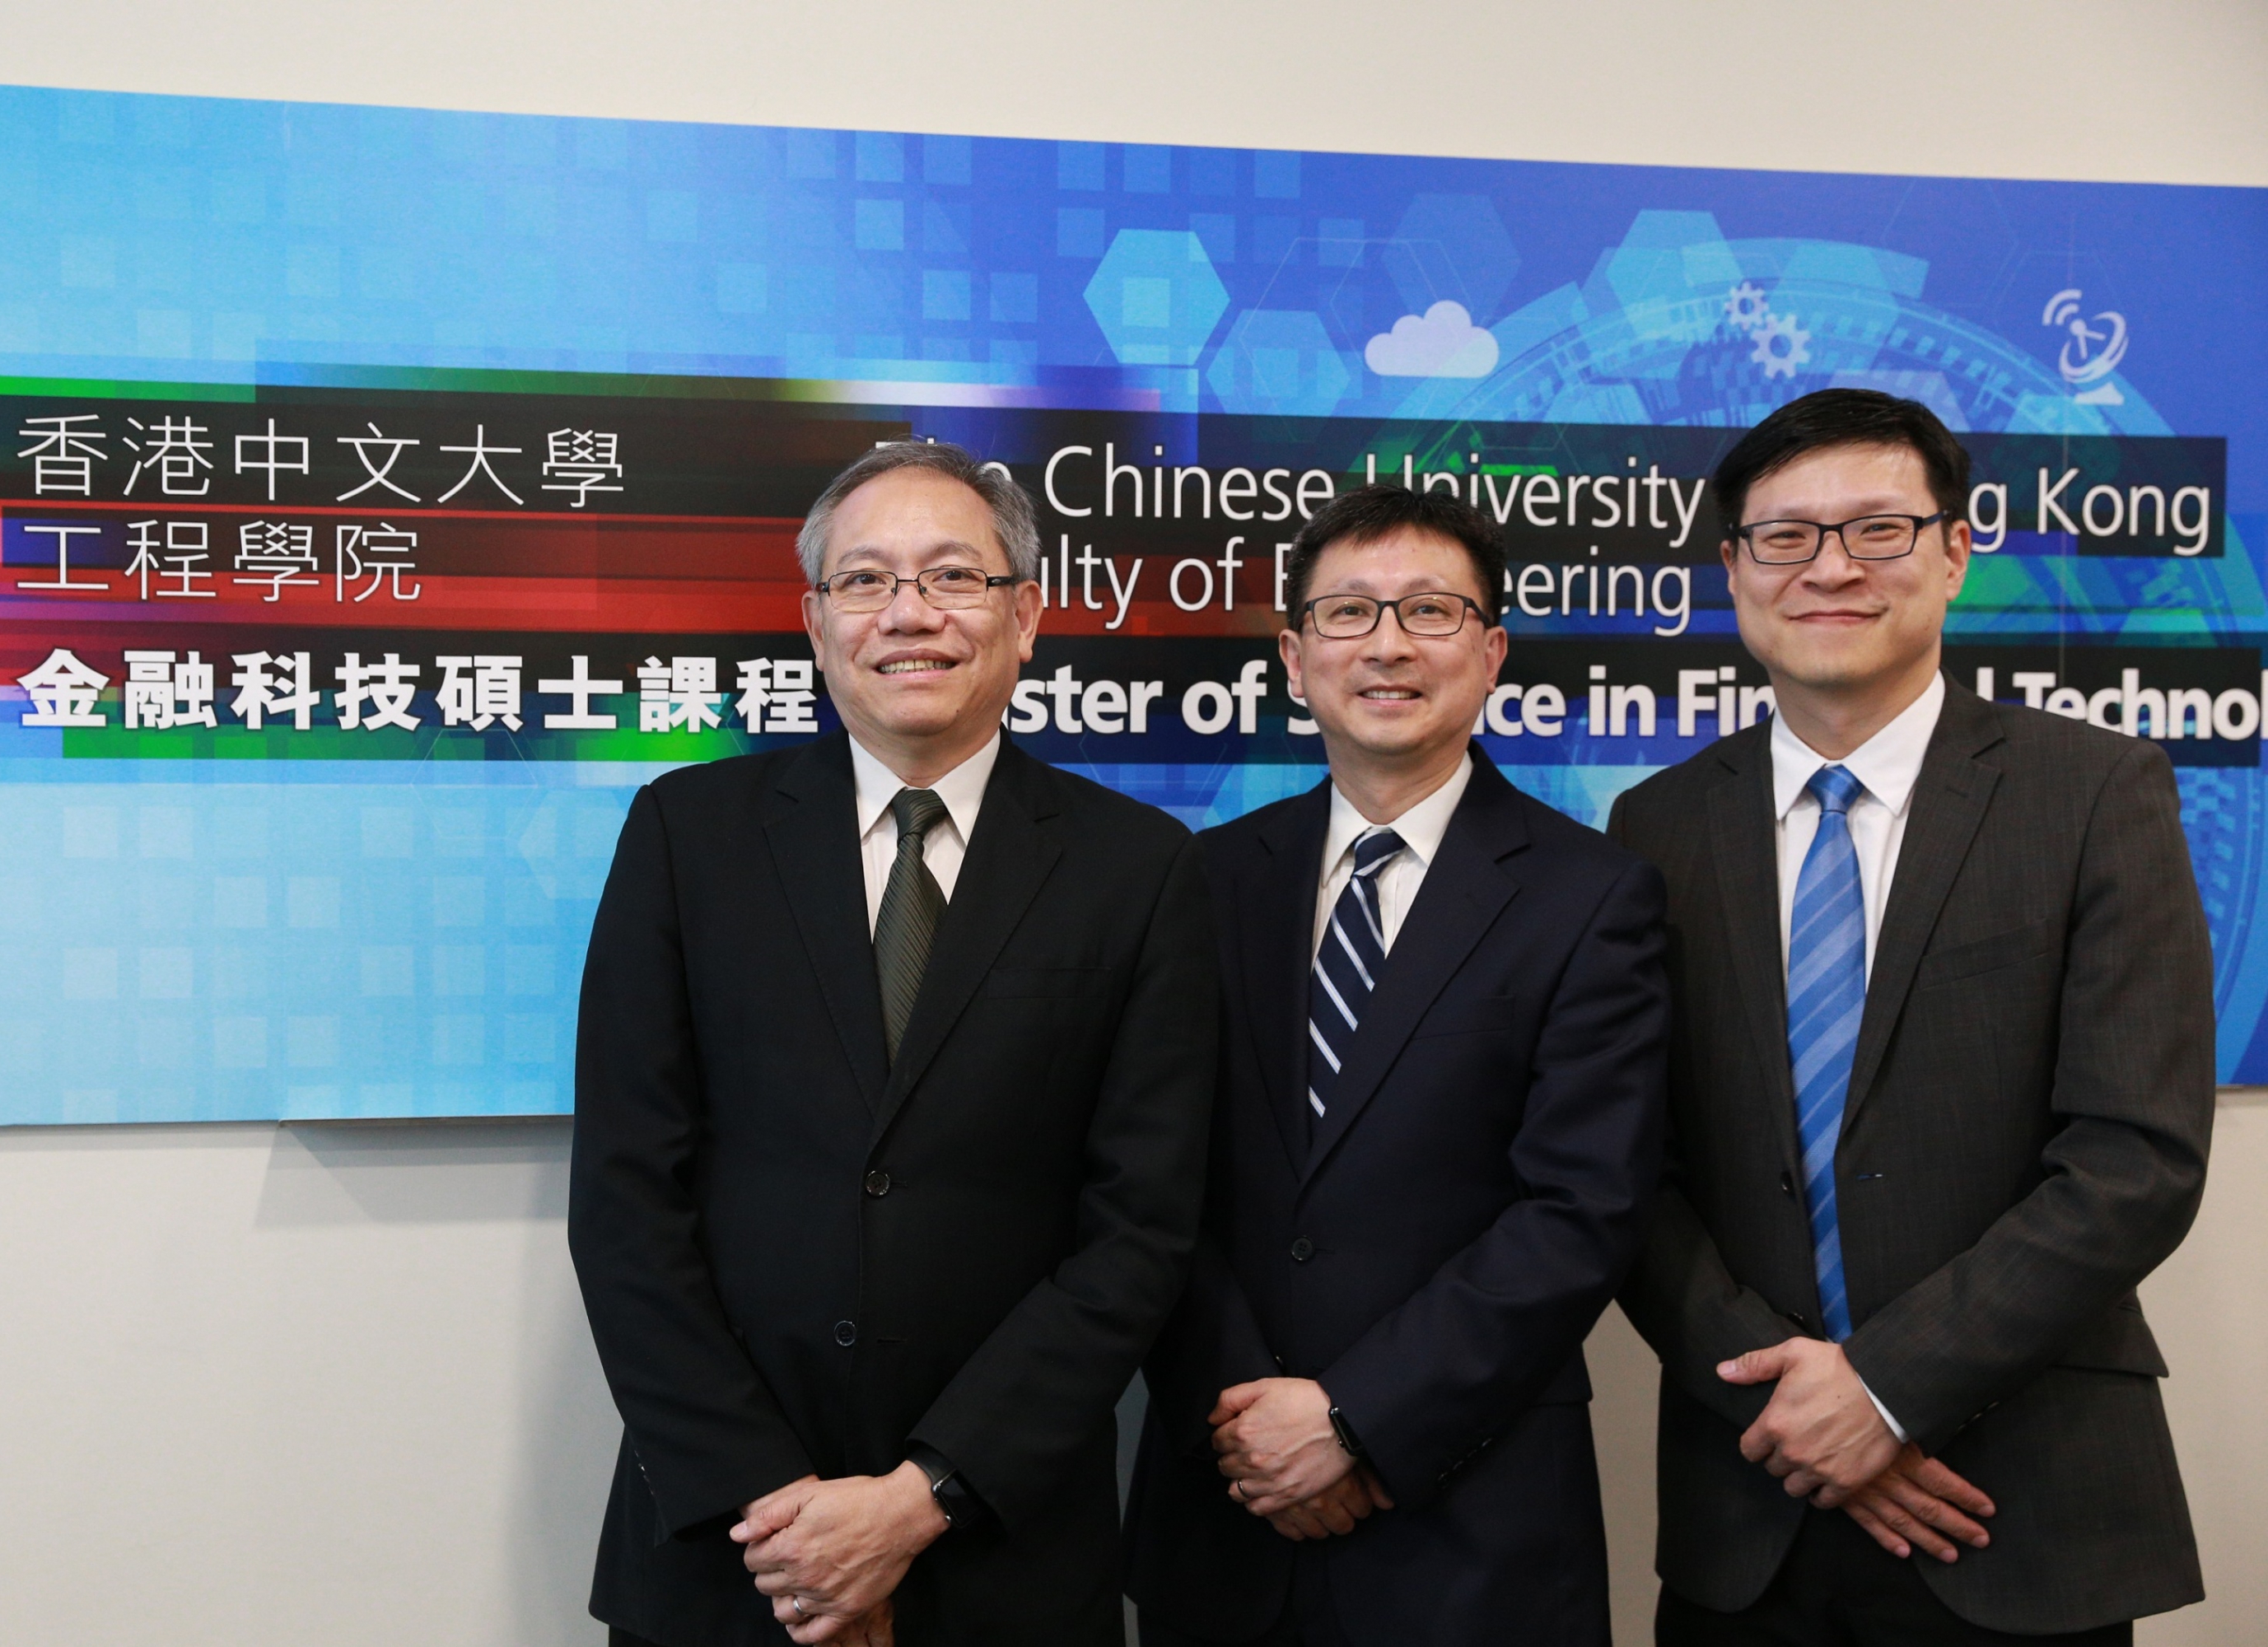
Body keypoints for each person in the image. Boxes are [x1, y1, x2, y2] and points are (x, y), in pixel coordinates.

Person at [568, 440, 1219, 1647]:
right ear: (817, 626)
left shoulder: (1140, 870)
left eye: (953, 578)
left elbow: (1139, 1232)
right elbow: (622, 1198)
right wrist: (782, 1519)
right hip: (732, 1556)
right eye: (865, 581)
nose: (908, 614)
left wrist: (921, 1503)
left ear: (1025, 619)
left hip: (1002, 1554)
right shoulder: (686, 836)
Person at [1608, 388, 2214, 1644]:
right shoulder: (1655, 828)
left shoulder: (2096, 792)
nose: (1830, 567)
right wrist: (1793, 1407)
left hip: (2012, 1505)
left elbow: (2134, 1158)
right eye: (1786, 536)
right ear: (1734, 570)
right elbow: (1627, 1172)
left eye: (1878, 529)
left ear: (1955, 550)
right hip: (1751, 1499)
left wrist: (1882, 1390)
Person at [1124, 484, 1670, 1646]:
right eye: (1348, 613)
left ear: (1491, 652)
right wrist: (1249, 1422)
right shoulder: (1200, 881)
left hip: (1470, 1524)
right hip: (1224, 1511)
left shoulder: (1590, 895)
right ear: (1292, 655)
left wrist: (1357, 1419)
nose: (1386, 645)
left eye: (1429, 611)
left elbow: (1583, 1206)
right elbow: (1145, 1178)